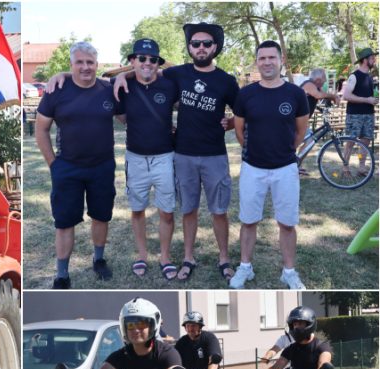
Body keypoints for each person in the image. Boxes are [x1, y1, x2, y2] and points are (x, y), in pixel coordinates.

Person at [114, 23, 240, 283]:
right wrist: (120, 75)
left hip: (215, 154)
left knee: (219, 210)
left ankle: (224, 258)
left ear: (215, 47)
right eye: (196, 43)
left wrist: (230, 124)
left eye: (206, 43)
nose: (201, 48)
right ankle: (188, 257)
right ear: (189, 47)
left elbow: (241, 111)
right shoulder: (177, 75)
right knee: (189, 210)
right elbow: (143, 72)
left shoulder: (226, 81)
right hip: (182, 154)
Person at [35, 41, 116, 289]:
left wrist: (125, 78)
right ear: (71, 65)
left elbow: (145, 73)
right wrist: (53, 165)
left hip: (102, 166)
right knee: (64, 222)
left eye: (90, 62)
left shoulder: (107, 89)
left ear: (97, 65)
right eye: (79, 62)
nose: (85, 67)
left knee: (101, 216)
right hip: (67, 168)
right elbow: (41, 129)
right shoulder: (56, 90)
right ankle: (62, 274)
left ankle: (99, 259)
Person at [230, 41, 310, 290]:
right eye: (262, 58)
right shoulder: (246, 94)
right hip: (253, 167)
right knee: (248, 220)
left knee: (287, 223)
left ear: (281, 60)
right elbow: (239, 130)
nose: (266, 62)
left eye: (271, 58)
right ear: (257, 61)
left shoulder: (296, 94)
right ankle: (245, 267)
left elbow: (301, 131)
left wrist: (284, 151)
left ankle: (289, 272)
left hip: (285, 168)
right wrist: (255, 152)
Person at [112, 39, 179, 280]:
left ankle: (165, 257)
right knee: (137, 209)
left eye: (152, 60)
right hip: (136, 158)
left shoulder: (170, 86)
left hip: (164, 157)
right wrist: (123, 76)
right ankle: (141, 255)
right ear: (132, 61)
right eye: (141, 58)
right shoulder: (120, 86)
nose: (147, 63)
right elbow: (121, 116)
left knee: (167, 212)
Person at [296, 68, 341, 176]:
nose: (325, 81)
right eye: (324, 79)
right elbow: (318, 95)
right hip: (294, 121)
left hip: (299, 121)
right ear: (318, 79)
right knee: (305, 142)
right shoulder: (309, 84)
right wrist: (334, 96)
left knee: (309, 141)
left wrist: (326, 104)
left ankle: (295, 166)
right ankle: (291, 165)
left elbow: (321, 95)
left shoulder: (316, 86)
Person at [340, 48, 377, 178]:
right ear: (365, 60)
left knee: (365, 142)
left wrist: (373, 101)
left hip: (369, 114)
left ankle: (361, 167)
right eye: (372, 58)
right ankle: (345, 168)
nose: (375, 60)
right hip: (355, 115)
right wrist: (367, 100)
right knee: (350, 141)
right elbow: (346, 96)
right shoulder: (354, 76)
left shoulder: (370, 77)